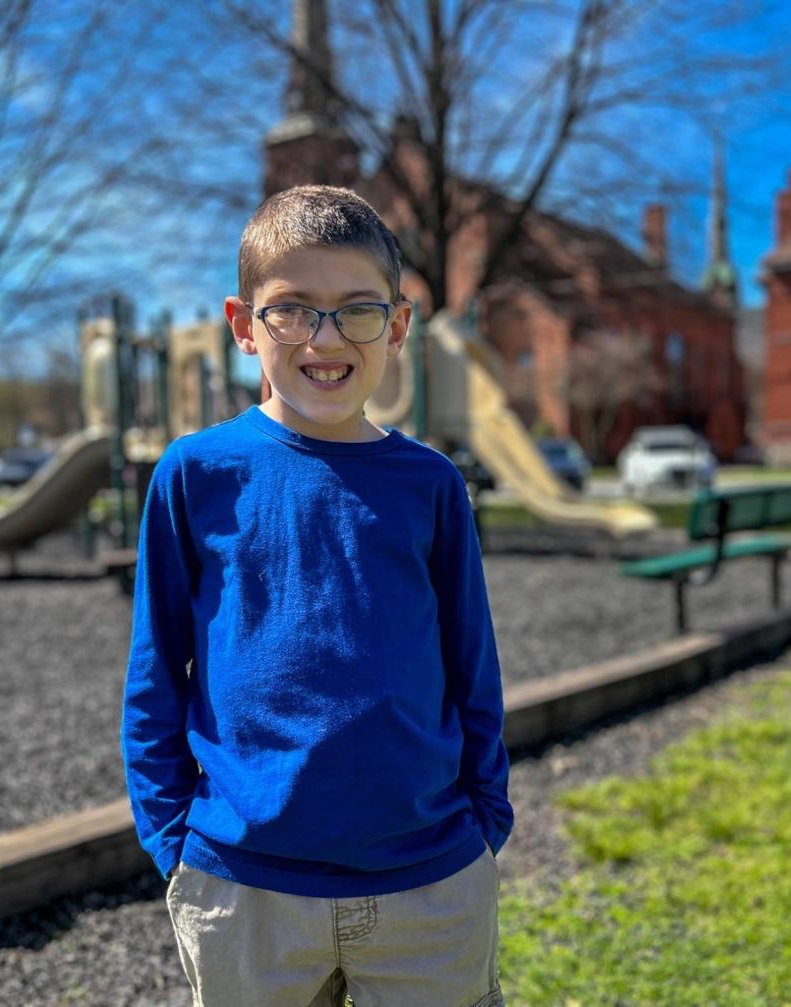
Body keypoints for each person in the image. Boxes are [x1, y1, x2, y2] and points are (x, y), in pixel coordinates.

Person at [121, 185, 512, 1006]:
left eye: (356, 311)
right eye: (291, 310)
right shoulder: (194, 475)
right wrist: (173, 838)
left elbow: (472, 667)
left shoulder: (431, 485)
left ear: (398, 326)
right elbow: (155, 674)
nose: (325, 338)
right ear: (241, 324)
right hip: (244, 890)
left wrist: (484, 821)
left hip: (429, 883)